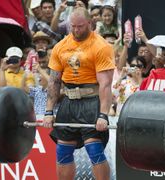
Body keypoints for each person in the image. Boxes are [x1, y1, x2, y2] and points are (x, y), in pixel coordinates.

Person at [43, 8, 115, 180]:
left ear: (90, 23)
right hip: (68, 103)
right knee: (62, 152)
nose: (76, 30)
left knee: (95, 151)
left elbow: (105, 84)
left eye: (80, 26)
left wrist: (103, 114)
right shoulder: (60, 47)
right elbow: (54, 81)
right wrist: (48, 111)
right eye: (72, 26)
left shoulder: (101, 46)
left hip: (91, 102)